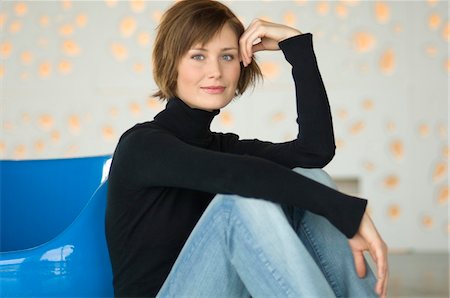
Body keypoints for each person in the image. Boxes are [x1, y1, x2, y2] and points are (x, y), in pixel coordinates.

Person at [105, 0, 389, 297]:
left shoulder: (222, 148)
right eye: (198, 56)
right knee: (236, 204)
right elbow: (237, 175)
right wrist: (346, 210)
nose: (215, 71)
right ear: (171, 63)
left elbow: (313, 153)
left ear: (241, 64)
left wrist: (298, 49)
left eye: (227, 56)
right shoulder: (142, 145)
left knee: (311, 177)